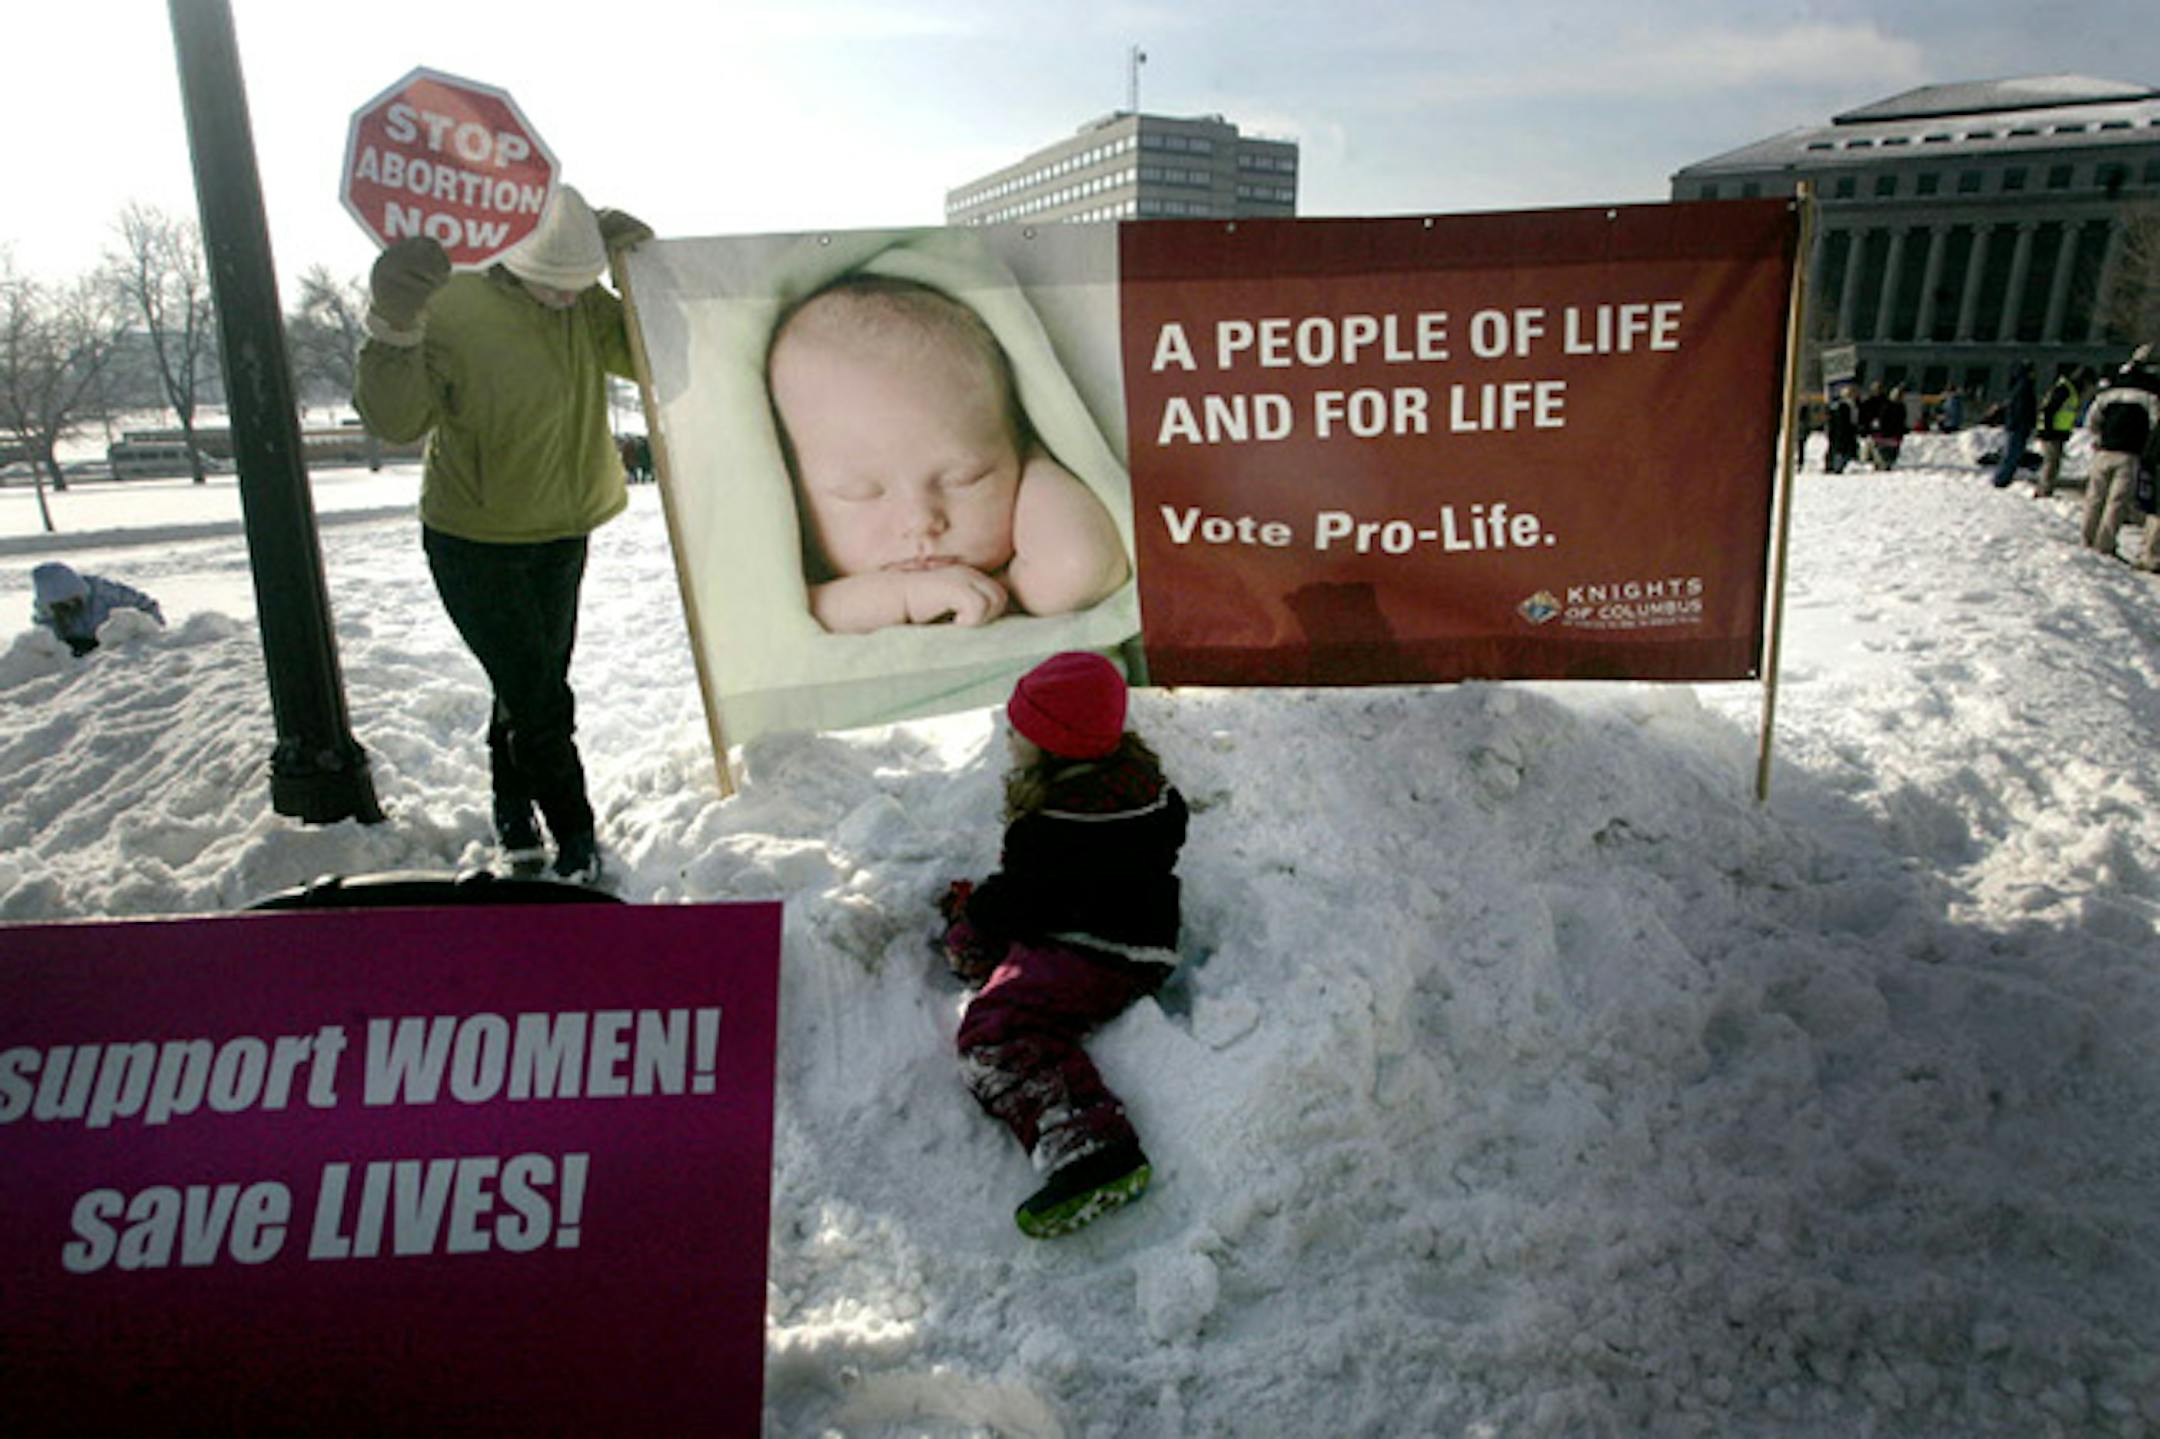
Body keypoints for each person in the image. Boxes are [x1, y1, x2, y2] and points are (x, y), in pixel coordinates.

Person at [354, 185, 651, 883]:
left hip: (564, 528)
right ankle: (576, 837)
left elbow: (647, 358)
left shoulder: (575, 295)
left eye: (581, 287)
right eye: (557, 288)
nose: (570, 302)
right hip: (476, 539)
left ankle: (512, 809)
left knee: (527, 684)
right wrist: (393, 324)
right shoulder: (449, 300)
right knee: (542, 699)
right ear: (512, 260)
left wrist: (637, 275)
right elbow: (396, 420)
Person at [935, 651, 1188, 1238]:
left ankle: (1091, 1147)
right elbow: (1062, 883)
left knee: (997, 1028)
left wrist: (973, 925)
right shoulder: (1143, 791)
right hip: (1140, 937)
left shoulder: (1053, 829)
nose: (1009, 735)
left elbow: (1023, 898)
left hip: (1097, 954)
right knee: (1003, 958)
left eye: (1020, 729)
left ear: (1056, 743)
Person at [767, 275, 1130, 634]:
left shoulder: (1019, 582)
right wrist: (901, 598)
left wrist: (1035, 456)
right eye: (859, 492)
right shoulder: (808, 600)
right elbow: (770, 627)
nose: (921, 520)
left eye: (965, 478)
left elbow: (1084, 569)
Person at [2080, 345, 2160, 570]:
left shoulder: (2111, 388)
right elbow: (2156, 425)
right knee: (2116, 502)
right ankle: (2104, 545)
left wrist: (2097, 437)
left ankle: (2086, 539)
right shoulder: (2151, 393)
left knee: (2094, 497)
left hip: (2104, 450)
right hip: (2130, 454)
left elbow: (2092, 418)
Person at [29, 561, 163, 657]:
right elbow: (49, 644)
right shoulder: (47, 615)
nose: (70, 606)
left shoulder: (106, 593)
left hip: (127, 651)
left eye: (73, 599)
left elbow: (147, 607)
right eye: (62, 605)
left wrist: (153, 634)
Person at [2034, 365, 2095, 498]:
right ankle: (2044, 491)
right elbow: (2049, 409)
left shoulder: (2069, 389)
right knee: (2051, 462)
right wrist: (2046, 429)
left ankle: (2045, 488)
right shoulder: (2065, 389)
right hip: (2052, 432)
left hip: (2058, 432)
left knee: (2053, 463)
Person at [1992, 361, 2037, 489]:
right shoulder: (2024, 387)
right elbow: (2021, 409)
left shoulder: (2019, 386)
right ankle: (2001, 479)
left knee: (2013, 453)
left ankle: (2003, 478)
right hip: (2019, 426)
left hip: (2017, 425)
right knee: (2012, 454)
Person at [1824, 386, 1860, 474]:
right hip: (1842, 434)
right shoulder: (1842, 407)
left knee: (1839, 450)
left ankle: (1836, 465)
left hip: (1843, 434)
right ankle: (1836, 466)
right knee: (1840, 450)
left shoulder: (1852, 406)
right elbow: (1841, 423)